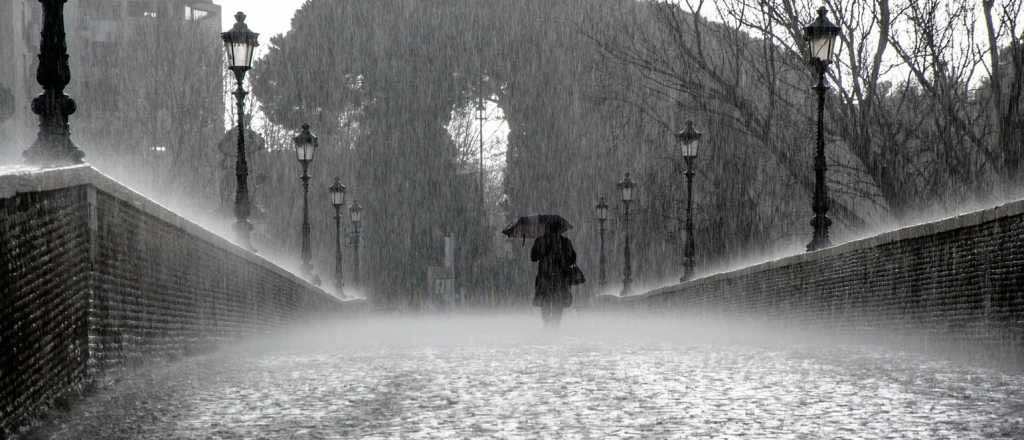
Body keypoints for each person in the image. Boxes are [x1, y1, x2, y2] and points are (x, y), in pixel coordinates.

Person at [531, 222, 577, 327]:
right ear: (560, 229)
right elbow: (572, 260)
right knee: (558, 302)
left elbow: (533, 258)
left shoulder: (540, 241)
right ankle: (555, 325)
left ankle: (546, 324)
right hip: (560, 278)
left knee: (545, 302)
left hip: (544, 277)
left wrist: (542, 251)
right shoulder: (565, 242)